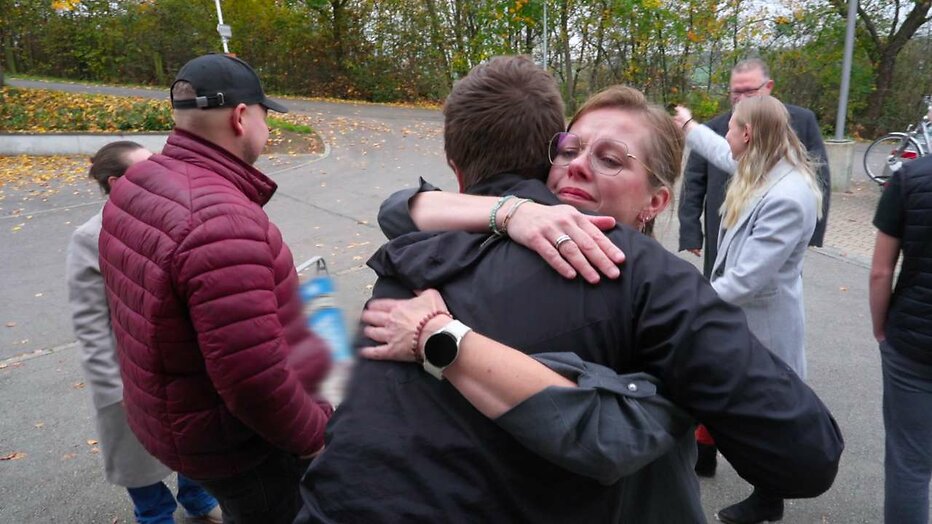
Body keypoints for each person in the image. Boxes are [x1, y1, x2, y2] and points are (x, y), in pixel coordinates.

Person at [296, 56, 843, 523]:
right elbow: (399, 207)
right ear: (545, 159)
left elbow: (805, 453)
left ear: (656, 201)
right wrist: (511, 213)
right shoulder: (462, 236)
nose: (579, 164)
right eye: (568, 148)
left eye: (610, 158)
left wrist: (443, 336)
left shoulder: (423, 249)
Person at [97, 54, 333, 524]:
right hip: (240, 448)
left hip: (178, 422)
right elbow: (255, 381)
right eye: (265, 115)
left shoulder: (139, 183)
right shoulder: (219, 220)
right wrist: (316, 441)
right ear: (241, 117)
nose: (268, 128)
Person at [677, 56, 831, 481]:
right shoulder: (765, 167)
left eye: (730, 128)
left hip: (764, 323)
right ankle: (707, 456)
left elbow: (747, 279)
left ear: (747, 134)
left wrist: (691, 301)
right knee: (721, 384)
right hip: (743, 316)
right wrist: (689, 126)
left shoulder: (786, 196)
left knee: (769, 409)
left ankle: (771, 493)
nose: (725, 134)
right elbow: (717, 152)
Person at [66, 141, 222, 524]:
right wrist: (112, 389)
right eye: (147, 168)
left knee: (195, 438)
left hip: (182, 363)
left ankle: (198, 500)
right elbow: (90, 323)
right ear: (117, 183)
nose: (161, 174)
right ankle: (154, 515)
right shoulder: (90, 237)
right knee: (134, 454)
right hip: (131, 372)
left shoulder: (173, 217)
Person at [678, 58, 830, 277]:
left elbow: (820, 176)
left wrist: (813, 232)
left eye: (749, 92)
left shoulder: (800, 124)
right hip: (722, 227)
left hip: (768, 244)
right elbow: (697, 178)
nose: (741, 99)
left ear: (768, 87)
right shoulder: (717, 128)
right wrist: (690, 231)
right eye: (736, 92)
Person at [869, 155, 932, 524]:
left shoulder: (909, 178)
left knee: (909, 463)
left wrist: (881, 326)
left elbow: (880, 271)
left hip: (913, 342)